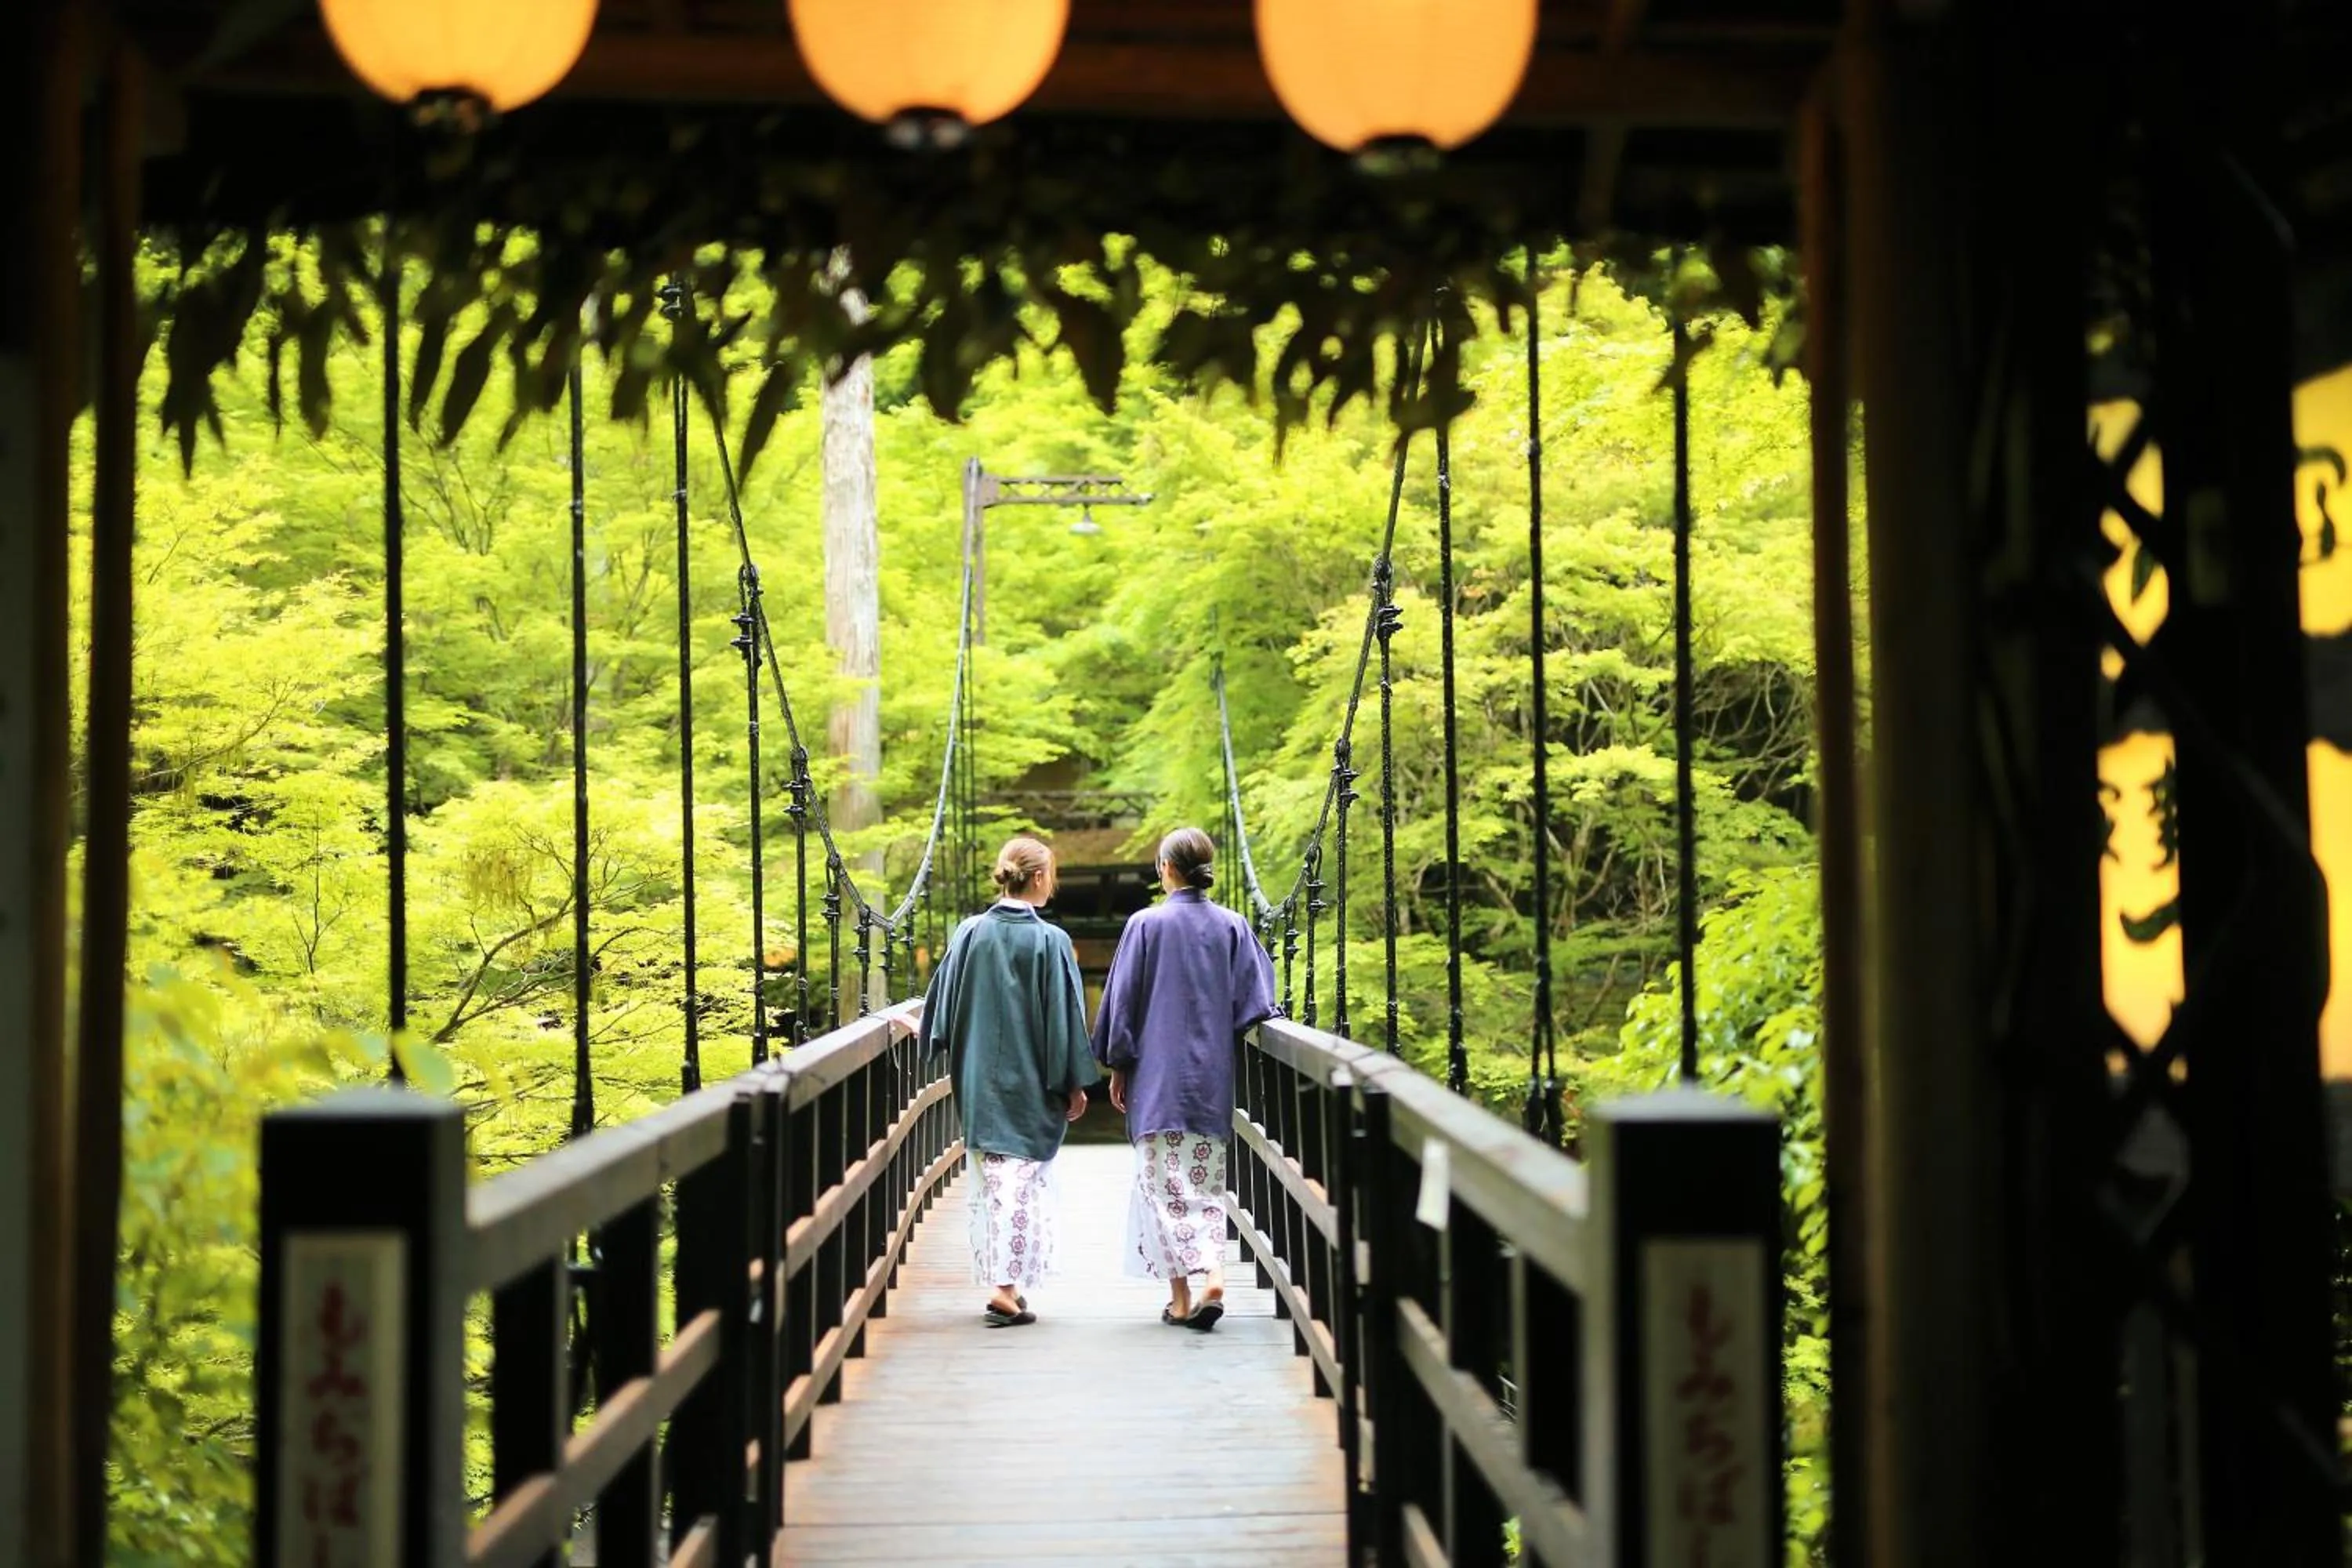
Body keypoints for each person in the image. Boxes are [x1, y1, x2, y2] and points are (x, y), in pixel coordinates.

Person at [1092, 826, 1276, 1330]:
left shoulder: (1145, 925)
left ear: (1165, 870)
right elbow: (1256, 1002)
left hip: (1156, 1079)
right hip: (1210, 1080)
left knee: (1160, 1187)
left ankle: (1200, 1283)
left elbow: (1122, 1005)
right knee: (1202, 1185)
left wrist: (1117, 1066)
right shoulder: (1234, 926)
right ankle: (1191, 1292)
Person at [920, 836, 1098, 1327]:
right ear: (1039, 878)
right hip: (1032, 1081)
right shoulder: (1051, 941)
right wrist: (1074, 1083)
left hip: (979, 1077)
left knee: (997, 1183)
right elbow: (1065, 1019)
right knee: (1017, 1182)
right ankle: (1003, 1287)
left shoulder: (970, 933)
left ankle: (1008, 1286)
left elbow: (944, 1003)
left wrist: (929, 1034)